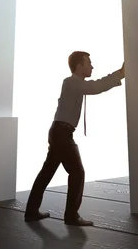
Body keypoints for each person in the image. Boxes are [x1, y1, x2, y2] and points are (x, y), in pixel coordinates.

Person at [24, 51, 125, 227]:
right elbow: (97, 86)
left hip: (59, 132)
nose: (92, 66)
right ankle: (71, 216)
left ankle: (31, 212)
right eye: (89, 63)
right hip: (62, 133)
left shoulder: (74, 84)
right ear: (79, 66)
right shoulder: (71, 82)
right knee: (77, 172)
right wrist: (120, 73)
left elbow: (94, 86)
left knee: (46, 172)